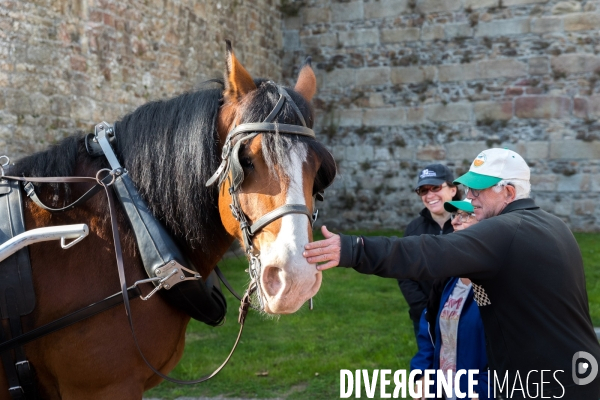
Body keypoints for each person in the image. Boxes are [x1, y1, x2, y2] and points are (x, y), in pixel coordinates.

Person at [304, 148, 600, 399]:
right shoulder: (553, 225)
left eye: (478, 190)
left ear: (509, 191)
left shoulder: (504, 231)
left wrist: (354, 249)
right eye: (469, 189)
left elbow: (430, 252)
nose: (470, 199)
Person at [411, 199, 491, 400]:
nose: (455, 222)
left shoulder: (496, 286)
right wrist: (422, 373)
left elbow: (514, 350)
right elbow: (429, 332)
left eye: (466, 216)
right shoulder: (448, 279)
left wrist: (482, 390)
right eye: (456, 215)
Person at [400, 164, 460, 338]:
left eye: (436, 188)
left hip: (464, 315)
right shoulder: (413, 230)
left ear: (453, 190)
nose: (430, 195)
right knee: (428, 363)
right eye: (423, 191)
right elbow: (404, 274)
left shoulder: (469, 225)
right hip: (425, 318)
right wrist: (423, 309)